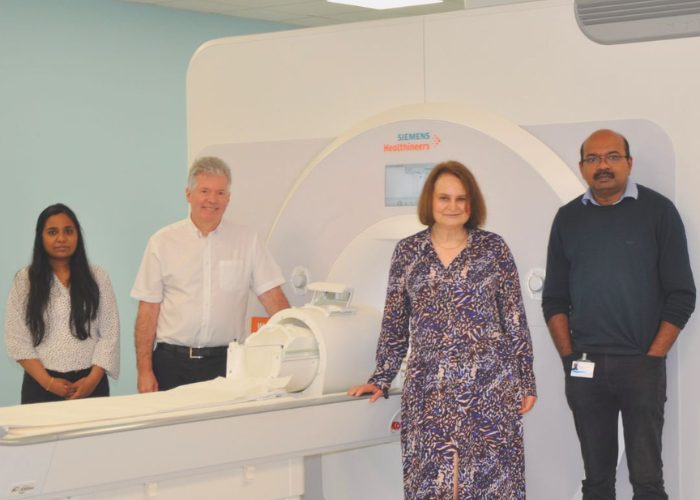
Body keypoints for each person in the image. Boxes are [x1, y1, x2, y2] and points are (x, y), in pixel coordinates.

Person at [348, 161, 537, 500]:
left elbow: (514, 320)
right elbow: (394, 322)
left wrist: (526, 380)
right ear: (430, 202)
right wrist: (381, 377)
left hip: (488, 385)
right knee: (433, 483)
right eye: (444, 198)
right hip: (429, 388)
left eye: (461, 199)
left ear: (472, 204)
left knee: (489, 484)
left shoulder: (494, 249)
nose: (453, 207)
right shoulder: (408, 252)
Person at [542, 129, 696, 499]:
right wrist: (568, 358)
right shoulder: (567, 219)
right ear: (582, 168)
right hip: (584, 366)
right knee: (596, 481)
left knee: (647, 480)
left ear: (629, 163)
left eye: (612, 156)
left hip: (641, 366)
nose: (603, 165)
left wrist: (652, 357)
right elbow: (554, 299)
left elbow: (682, 294)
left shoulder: (658, 212)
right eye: (593, 159)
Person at [131, 156, 290, 393]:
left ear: (228, 198)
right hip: (171, 364)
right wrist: (144, 371)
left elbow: (273, 297)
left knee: (225, 431)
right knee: (174, 431)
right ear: (189, 194)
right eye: (205, 191)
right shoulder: (161, 243)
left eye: (220, 193)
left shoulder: (248, 241)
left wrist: (300, 339)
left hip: (226, 365)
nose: (212, 200)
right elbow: (148, 311)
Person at [5, 204, 120, 404]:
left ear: (78, 235)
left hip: (91, 383)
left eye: (68, 231)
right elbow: (17, 339)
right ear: (40, 237)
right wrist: (48, 383)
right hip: (41, 386)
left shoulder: (98, 277)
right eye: (52, 232)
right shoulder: (25, 280)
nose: (61, 238)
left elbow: (110, 333)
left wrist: (92, 381)